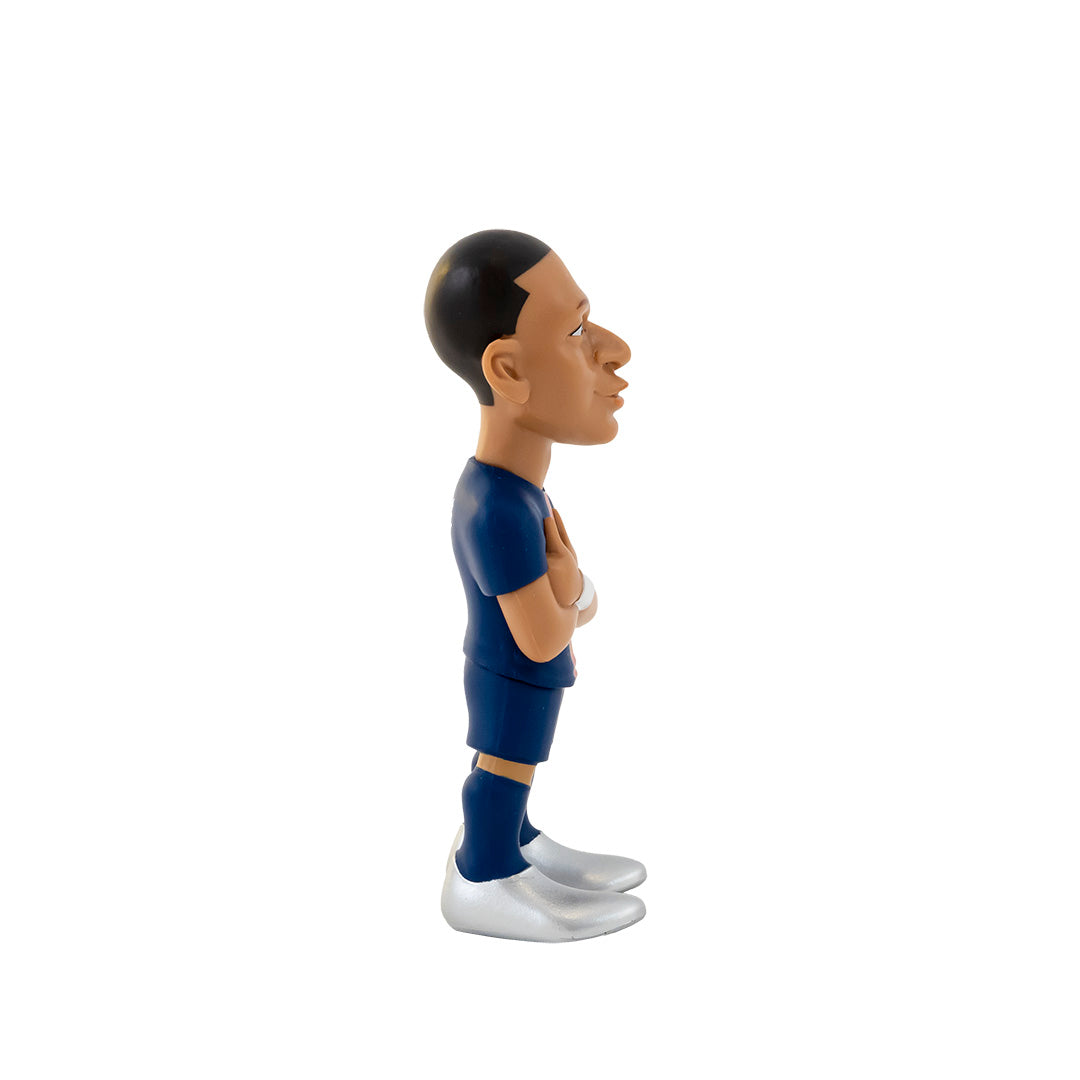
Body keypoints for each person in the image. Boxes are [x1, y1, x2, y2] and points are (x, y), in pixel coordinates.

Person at [425, 230, 646, 941]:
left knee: (514, 766)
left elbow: (561, 604)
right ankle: (483, 873)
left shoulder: (516, 491)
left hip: (517, 672)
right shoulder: (497, 507)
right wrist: (572, 587)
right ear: (509, 371)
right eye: (577, 331)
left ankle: (517, 844)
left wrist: (571, 590)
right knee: (503, 765)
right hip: (513, 673)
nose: (615, 350)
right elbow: (545, 633)